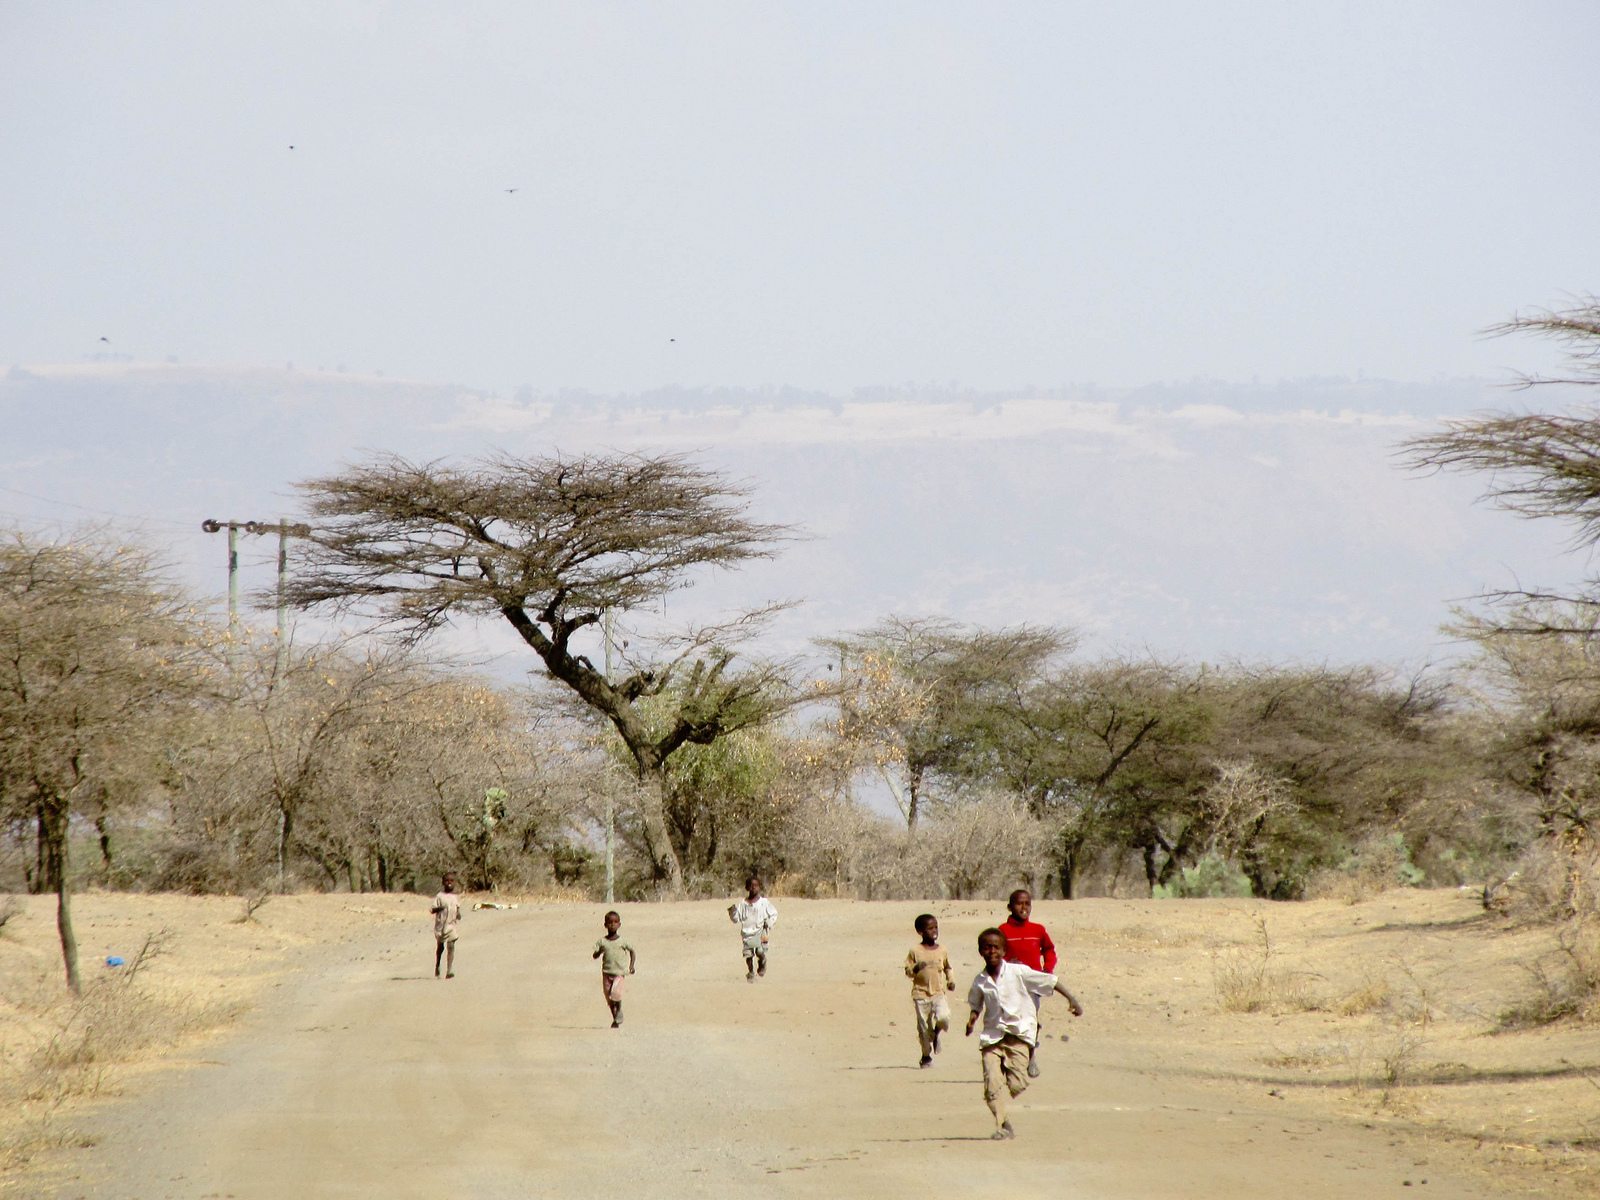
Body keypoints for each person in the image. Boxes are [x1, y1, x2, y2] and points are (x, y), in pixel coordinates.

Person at [965, 927, 1083, 1139]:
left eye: (996, 947)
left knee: (1017, 1085)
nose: (992, 951)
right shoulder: (980, 980)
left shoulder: (1018, 972)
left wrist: (1072, 999)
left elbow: (1050, 981)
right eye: (987, 947)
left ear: (1004, 950)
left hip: (1018, 1035)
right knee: (991, 1085)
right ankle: (1003, 1124)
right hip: (993, 1036)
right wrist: (972, 1020)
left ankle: (1011, 1070)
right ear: (980, 951)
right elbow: (976, 1003)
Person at [999, 888, 1057, 1077]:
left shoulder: (1037, 930)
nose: (1024, 907)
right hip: (1010, 984)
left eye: (1027, 903)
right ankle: (1007, 1057)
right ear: (1010, 907)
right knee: (1010, 1021)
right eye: (1019, 903)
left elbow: (1049, 950)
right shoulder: (1003, 930)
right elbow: (996, 953)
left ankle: (1031, 1056)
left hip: (1032, 984)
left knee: (1031, 1020)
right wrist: (1007, 961)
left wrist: (1047, 968)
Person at [905, 913, 955, 1068]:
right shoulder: (915, 951)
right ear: (920, 932)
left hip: (938, 993)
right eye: (930, 928)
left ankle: (936, 1033)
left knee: (944, 1017)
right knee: (923, 1028)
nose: (934, 931)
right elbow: (908, 971)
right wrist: (915, 968)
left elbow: (948, 967)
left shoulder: (942, 950)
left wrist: (951, 980)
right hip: (920, 994)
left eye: (936, 927)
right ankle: (926, 1056)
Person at [727, 875, 777, 981]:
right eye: (751, 885)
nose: (753, 888)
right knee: (748, 954)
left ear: (759, 887)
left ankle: (762, 962)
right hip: (747, 932)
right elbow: (736, 919)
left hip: (760, 931)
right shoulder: (743, 904)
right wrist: (733, 912)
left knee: (760, 951)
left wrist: (768, 923)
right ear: (747, 888)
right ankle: (751, 972)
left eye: (756, 885)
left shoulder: (764, 903)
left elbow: (774, 914)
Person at [592, 909, 636, 1028]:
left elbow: (632, 951)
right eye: (610, 922)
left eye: (615, 922)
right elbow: (594, 955)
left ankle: (619, 1009)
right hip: (607, 973)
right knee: (609, 998)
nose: (613, 925)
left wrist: (631, 966)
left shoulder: (623, 941)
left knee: (615, 993)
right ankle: (615, 1018)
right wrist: (599, 951)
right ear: (605, 925)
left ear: (619, 924)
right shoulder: (602, 942)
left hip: (619, 973)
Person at [431, 872, 462, 979]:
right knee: (440, 947)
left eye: (452, 881)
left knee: (451, 946)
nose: (449, 883)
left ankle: (449, 970)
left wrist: (458, 914)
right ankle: (438, 965)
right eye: (447, 881)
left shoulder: (456, 897)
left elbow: (457, 908)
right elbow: (432, 910)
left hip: (451, 925)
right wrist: (441, 908)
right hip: (441, 926)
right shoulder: (440, 896)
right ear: (443, 883)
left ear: (455, 882)